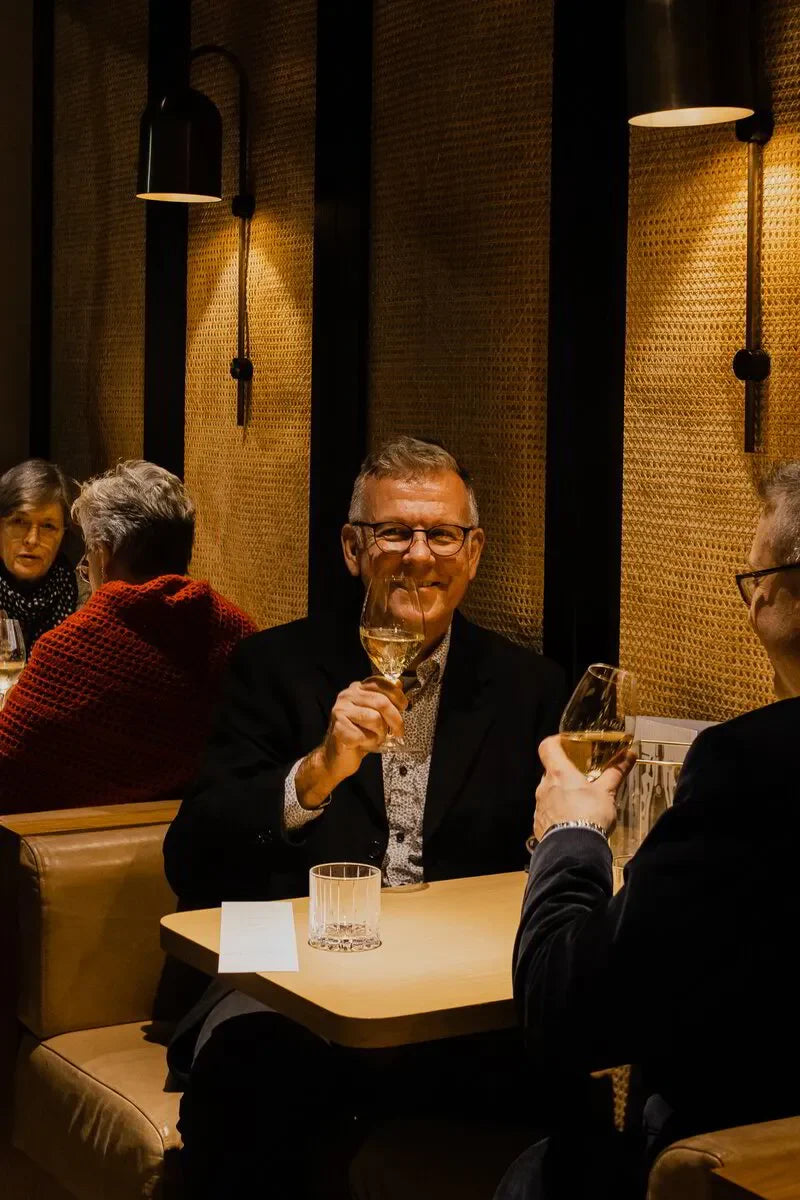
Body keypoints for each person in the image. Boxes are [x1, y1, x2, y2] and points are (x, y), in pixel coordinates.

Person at [163, 435, 565, 1198]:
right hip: (294, 985)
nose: (419, 556)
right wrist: (314, 775)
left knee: (567, 1089)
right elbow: (191, 855)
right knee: (248, 1075)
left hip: (449, 999)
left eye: (441, 534)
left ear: (474, 552)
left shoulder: (530, 689)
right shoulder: (273, 668)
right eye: (395, 533)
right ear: (353, 549)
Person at [495, 460, 800, 1200]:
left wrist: (571, 831)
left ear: (775, 595)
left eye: (754, 579)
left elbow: (564, 1017)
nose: (752, 600)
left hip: (742, 1171)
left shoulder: (749, 767)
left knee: (535, 1174)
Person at [0, 460, 256, 814]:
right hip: (202, 840)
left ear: (103, 555)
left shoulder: (69, 650)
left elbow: (9, 772)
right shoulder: (237, 633)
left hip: (71, 844)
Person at [0, 458, 79, 649]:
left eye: (48, 526)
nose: (32, 539)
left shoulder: (81, 599)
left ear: (63, 534)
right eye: (19, 522)